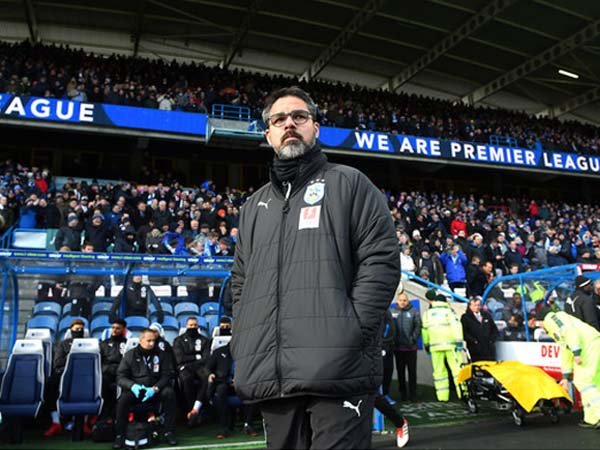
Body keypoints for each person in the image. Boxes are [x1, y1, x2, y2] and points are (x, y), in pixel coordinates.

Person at [230, 86, 400, 450]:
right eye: (279, 119)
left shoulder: (350, 183)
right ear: (268, 134)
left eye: (299, 117)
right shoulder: (253, 207)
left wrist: (349, 331)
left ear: (315, 128)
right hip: (271, 375)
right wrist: (245, 335)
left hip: (338, 372)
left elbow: (381, 260)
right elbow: (240, 281)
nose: (289, 124)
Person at [114, 328, 177, 448]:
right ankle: (120, 435)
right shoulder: (130, 355)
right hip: (137, 390)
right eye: (149, 341)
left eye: (154, 341)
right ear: (141, 340)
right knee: (123, 400)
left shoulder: (161, 354)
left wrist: (155, 388)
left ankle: (169, 432)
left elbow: (166, 376)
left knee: (169, 393)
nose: (152, 343)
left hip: (154, 390)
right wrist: (133, 386)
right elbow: (120, 377)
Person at [542, 311, 600, 428]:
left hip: (587, 347)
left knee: (583, 382)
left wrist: (576, 351)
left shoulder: (551, 319)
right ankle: (591, 418)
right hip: (591, 344)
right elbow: (565, 351)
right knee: (595, 382)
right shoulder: (556, 322)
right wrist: (565, 376)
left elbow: (570, 332)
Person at [207, 316, 258, 439]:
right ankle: (224, 427)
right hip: (223, 382)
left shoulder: (247, 353)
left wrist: (240, 379)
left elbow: (253, 368)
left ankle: (248, 424)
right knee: (220, 390)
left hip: (242, 382)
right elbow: (208, 367)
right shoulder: (219, 352)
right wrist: (210, 374)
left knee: (250, 388)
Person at [43, 319, 90, 437]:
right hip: (64, 373)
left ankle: (84, 422)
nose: (79, 331)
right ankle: (55, 422)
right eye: (76, 329)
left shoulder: (90, 343)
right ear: (71, 330)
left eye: (81, 329)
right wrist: (73, 357)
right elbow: (58, 362)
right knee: (50, 384)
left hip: (84, 374)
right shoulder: (63, 344)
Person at [421, 294, 464, 402]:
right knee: (457, 370)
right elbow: (456, 326)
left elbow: (424, 330)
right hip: (451, 345)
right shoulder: (449, 312)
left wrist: (426, 343)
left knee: (439, 372)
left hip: (435, 346)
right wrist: (459, 341)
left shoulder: (427, 314)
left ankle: (442, 397)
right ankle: (462, 393)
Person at [172, 316, 210, 426]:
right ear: (186, 326)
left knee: (206, 379)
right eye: (190, 325)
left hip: (200, 367)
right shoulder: (178, 340)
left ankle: (196, 409)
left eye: (195, 325)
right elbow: (180, 358)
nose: (193, 327)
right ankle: (190, 412)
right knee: (186, 380)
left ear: (198, 326)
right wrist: (197, 357)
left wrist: (192, 358)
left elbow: (206, 357)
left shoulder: (204, 340)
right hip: (185, 367)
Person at [392, 292, 421, 402]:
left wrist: (412, 339)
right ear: (397, 301)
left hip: (411, 348)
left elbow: (418, 326)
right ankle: (403, 394)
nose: (402, 302)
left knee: (412, 372)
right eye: (400, 300)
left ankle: (413, 394)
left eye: (404, 300)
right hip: (398, 348)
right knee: (400, 372)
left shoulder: (414, 311)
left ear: (407, 301)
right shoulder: (392, 311)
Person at [99, 319, 128, 421]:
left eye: (118, 328)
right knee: (104, 386)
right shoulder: (103, 344)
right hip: (106, 373)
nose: (114, 330)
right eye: (113, 328)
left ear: (123, 330)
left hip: (122, 374)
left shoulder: (127, 344)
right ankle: (104, 417)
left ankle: (117, 417)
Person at [460, 297, 498, 362]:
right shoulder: (465, 317)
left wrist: (492, 340)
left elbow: (494, 329)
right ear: (470, 306)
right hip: (475, 349)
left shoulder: (486, 315)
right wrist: (474, 341)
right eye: (474, 305)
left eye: (478, 305)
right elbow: (464, 332)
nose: (477, 307)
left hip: (488, 348)